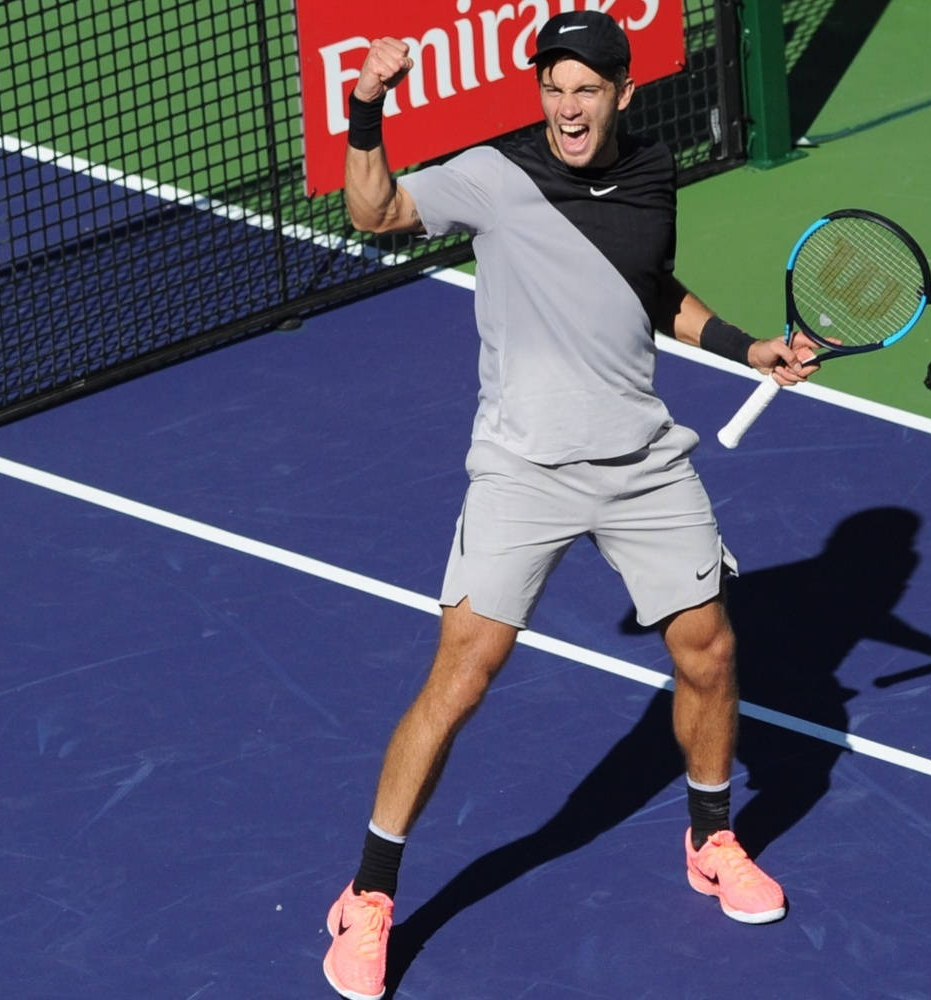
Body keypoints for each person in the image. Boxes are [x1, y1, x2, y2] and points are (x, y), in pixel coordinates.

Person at [321, 12, 817, 999]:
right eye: (554, 87)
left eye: (586, 88)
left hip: (639, 458)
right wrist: (366, 107)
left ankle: (711, 839)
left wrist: (743, 346)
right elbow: (371, 212)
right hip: (524, 467)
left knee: (709, 649)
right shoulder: (493, 176)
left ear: (622, 94)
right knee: (464, 673)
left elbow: (647, 288)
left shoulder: (653, 172)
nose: (567, 105)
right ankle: (369, 895)